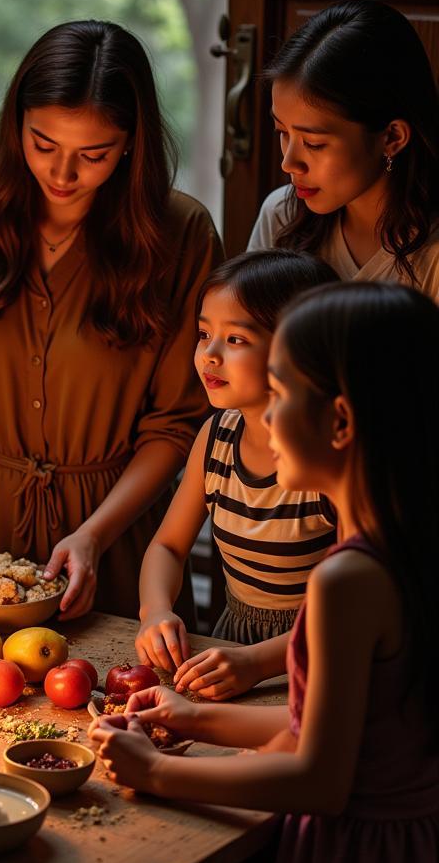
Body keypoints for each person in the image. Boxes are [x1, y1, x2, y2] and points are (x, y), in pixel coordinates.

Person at [90, 282, 439, 863]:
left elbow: (318, 779)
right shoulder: (408, 546)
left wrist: (155, 773)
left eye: (279, 394)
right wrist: (190, 718)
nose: (267, 417)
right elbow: (325, 726)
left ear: (340, 421)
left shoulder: (347, 579)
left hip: (359, 857)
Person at [0, 19, 222, 619]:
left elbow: (178, 425)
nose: (62, 175)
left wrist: (95, 535)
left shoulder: (181, 234)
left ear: (132, 143)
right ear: (16, 125)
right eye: (42, 144)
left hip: (117, 541)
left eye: (93, 155)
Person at [136, 250, 338, 699]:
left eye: (236, 340)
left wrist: (257, 662)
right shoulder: (216, 437)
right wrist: (155, 611)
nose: (209, 355)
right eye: (204, 333)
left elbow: (353, 615)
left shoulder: (328, 463)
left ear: (299, 350)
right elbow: (168, 546)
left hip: (314, 657)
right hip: (232, 643)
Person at [249, 0, 439, 300]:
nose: (289, 163)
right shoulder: (282, 217)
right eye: (282, 132)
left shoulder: (433, 255)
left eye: (314, 143)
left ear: (392, 137)